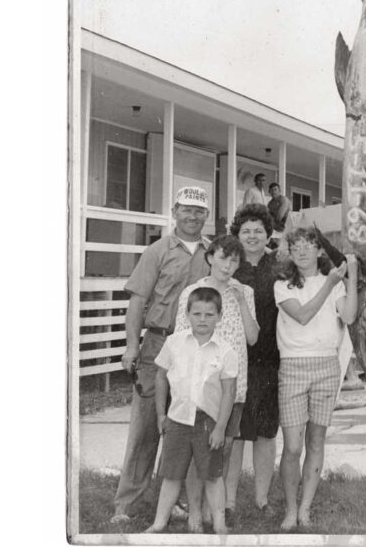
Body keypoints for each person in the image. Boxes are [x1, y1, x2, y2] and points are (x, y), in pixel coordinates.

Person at [111, 186, 212, 523]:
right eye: (187, 210)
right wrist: (131, 346)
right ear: (174, 211)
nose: (193, 216)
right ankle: (127, 501)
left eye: (199, 211)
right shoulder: (156, 251)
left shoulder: (213, 254)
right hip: (157, 344)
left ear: (207, 216)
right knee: (145, 428)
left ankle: (178, 498)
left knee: (184, 426)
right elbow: (138, 301)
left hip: (194, 348)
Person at [274, 227, 356, 530]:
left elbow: (347, 317)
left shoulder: (333, 283)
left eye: (309, 245)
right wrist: (333, 281)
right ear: (290, 253)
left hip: (327, 366)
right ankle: (290, 508)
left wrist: (352, 276)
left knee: (316, 442)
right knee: (293, 446)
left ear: (319, 250)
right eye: (296, 247)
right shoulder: (283, 285)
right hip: (293, 367)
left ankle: (305, 508)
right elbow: (304, 315)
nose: (303, 251)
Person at [173, 235, 257, 530]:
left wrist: (241, 301)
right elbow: (181, 340)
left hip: (234, 385)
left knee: (221, 450)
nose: (228, 265)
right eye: (223, 257)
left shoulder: (244, 291)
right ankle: (195, 511)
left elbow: (252, 337)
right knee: (197, 453)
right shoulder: (193, 293)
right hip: (199, 388)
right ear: (210, 257)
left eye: (234, 260)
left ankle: (213, 510)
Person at [144, 287, 238, 534]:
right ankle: (159, 523)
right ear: (187, 314)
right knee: (171, 474)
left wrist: (220, 428)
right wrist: (161, 415)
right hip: (177, 418)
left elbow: (229, 393)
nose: (203, 320)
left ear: (219, 316)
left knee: (212, 476)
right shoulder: (174, 343)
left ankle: (219, 525)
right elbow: (161, 378)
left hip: (208, 421)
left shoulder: (226, 351)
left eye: (209, 314)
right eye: (197, 314)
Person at [227, 204, 280, 511]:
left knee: (265, 431)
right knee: (234, 433)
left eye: (258, 230)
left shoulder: (279, 266)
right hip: (236, 361)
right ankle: (230, 500)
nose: (252, 236)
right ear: (237, 234)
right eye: (245, 230)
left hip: (270, 361)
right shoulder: (230, 266)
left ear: (267, 234)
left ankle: (261, 499)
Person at [266, 182, 291, 247]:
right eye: (271, 190)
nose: (273, 192)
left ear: (279, 191)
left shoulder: (284, 200)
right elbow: (267, 217)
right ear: (269, 192)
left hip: (287, 227)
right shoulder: (270, 204)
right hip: (276, 229)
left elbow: (279, 216)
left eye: (275, 189)